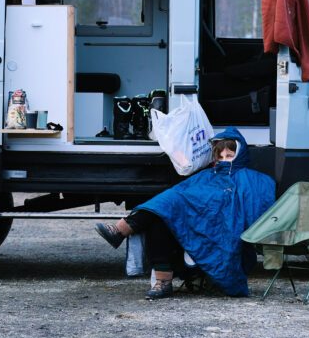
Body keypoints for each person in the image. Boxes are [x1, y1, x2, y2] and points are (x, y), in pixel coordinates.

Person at [94, 127, 276, 299]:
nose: (224, 159)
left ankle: (122, 229)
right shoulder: (207, 175)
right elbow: (187, 197)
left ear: (239, 155)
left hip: (217, 234)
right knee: (161, 214)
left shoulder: (252, 180)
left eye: (229, 155)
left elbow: (252, 211)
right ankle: (163, 281)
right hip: (192, 223)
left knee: (166, 204)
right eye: (220, 156)